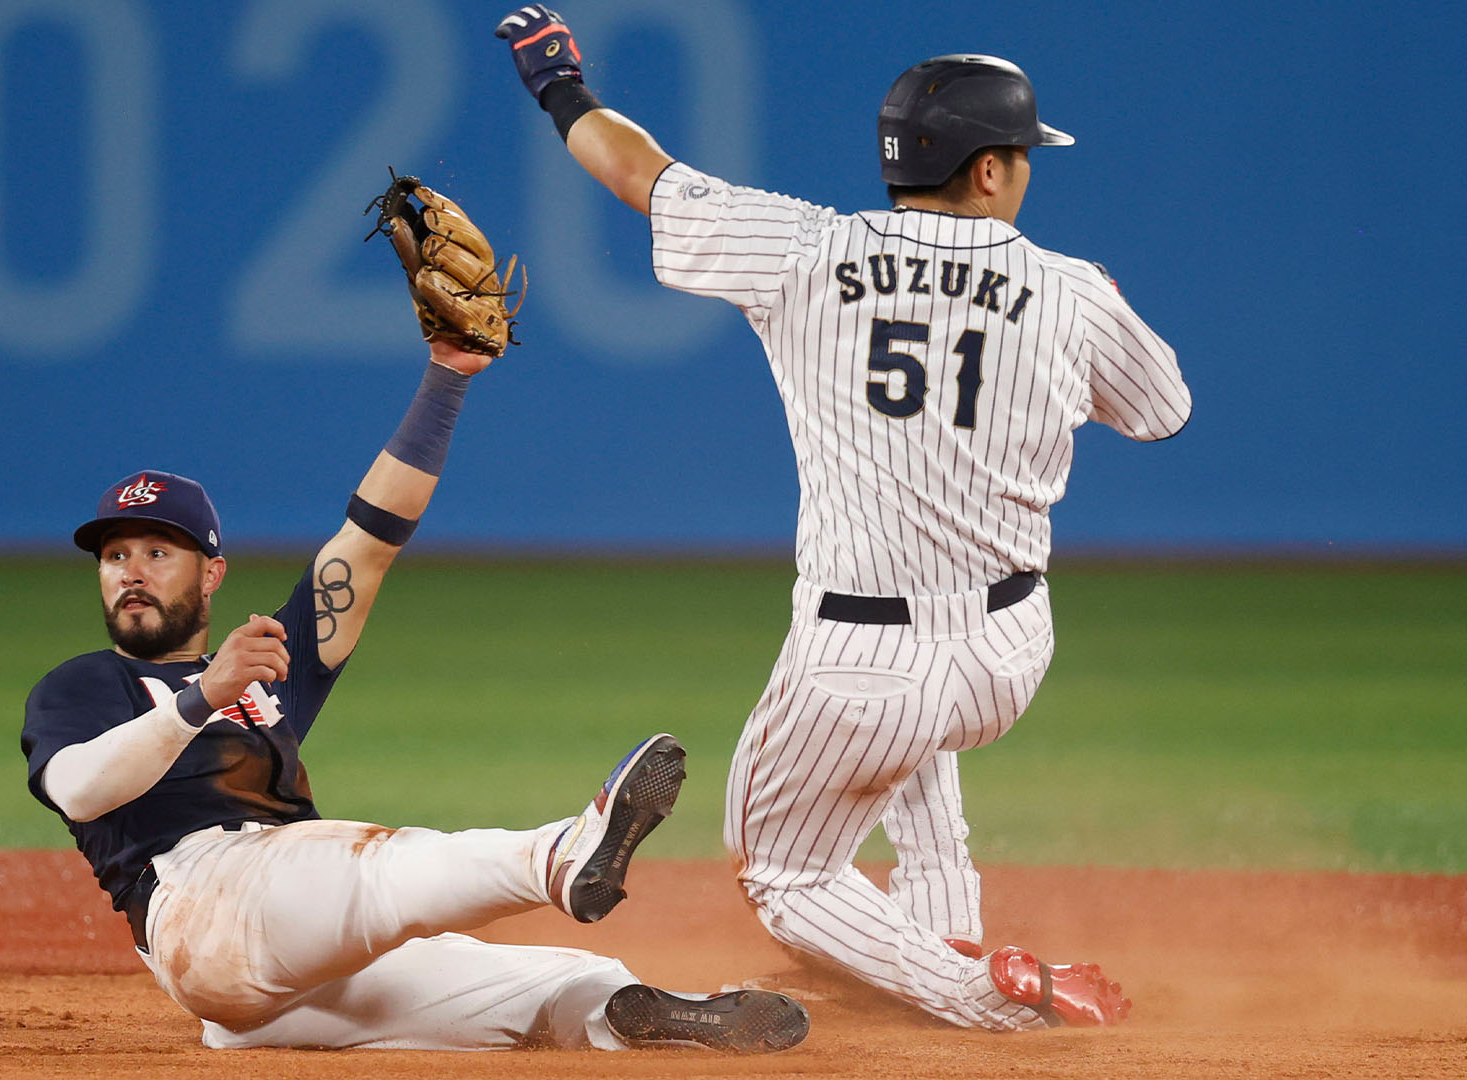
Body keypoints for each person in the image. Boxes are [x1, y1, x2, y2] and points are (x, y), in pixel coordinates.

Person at [495, 6, 1190, 1030]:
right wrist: (1083, 315)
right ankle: (942, 927)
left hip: (860, 665)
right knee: (916, 748)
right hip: (1008, 647)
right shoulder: (1071, 291)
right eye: (1023, 155)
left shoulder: (804, 249)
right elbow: (1163, 411)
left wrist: (559, 85)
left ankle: (980, 994)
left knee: (782, 871)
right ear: (989, 171)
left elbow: (643, 175)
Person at [19, 331, 810, 1052]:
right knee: (372, 867)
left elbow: (367, 542)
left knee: (563, 980)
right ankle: (562, 856)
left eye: (159, 551)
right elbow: (82, 791)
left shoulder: (263, 664)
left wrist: (449, 376)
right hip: (202, 911)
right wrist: (201, 697)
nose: (131, 569)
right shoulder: (86, 684)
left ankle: (637, 1016)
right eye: (115, 554)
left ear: (212, 573)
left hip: (279, 974)